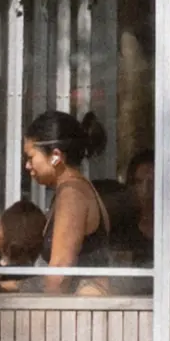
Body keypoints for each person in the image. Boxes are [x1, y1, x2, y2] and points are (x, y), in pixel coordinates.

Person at [20, 110, 119, 292]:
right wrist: (3, 285)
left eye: (31, 157)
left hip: (80, 314)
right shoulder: (73, 189)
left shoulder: (72, 194)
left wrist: (43, 316)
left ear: (56, 156)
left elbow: (59, 271)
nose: (27, 165)